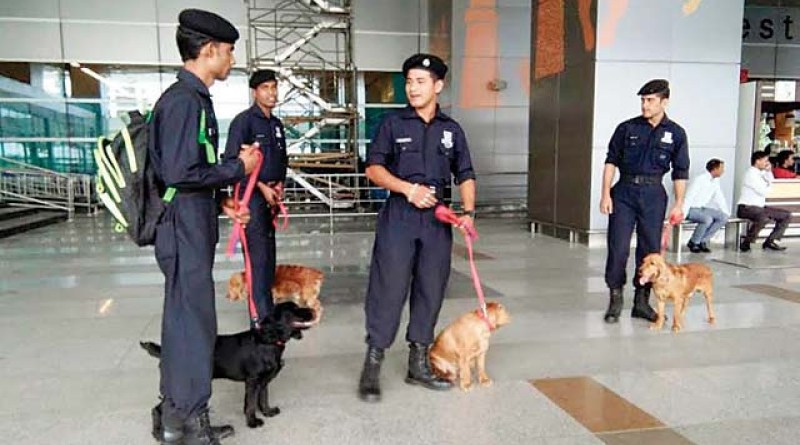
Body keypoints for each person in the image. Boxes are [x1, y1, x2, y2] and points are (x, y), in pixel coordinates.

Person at [149, 9, 259, 445]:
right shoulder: (184, 102)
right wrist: (238, 168)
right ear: (209, 50)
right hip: (182, 229)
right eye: (229, 51)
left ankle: (171, 416)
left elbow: (189, 173)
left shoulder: (193, 99)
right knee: (193, 326)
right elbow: (179, 173)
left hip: (190, 222)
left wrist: (221, 201)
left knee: (185, 322)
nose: (232, 59)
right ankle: (188, 421)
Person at [357, 53, 476, 402]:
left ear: (438, 86)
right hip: (400, 215)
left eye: (420, 81)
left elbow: (465, 173)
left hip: (437, 219)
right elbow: (373, 169)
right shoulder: (393, 124)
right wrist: (408, 189)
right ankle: (373, 364)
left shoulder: (451, 130)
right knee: (388, 287)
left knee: (431, 287)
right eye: (409, 81)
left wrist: (468, 212)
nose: (412, 88)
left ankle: (418, 363)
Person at [599, 79, 689, 324]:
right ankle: (615, 300)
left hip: (654, 194)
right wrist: (605, 194)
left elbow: (680, 171)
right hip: (624, 193)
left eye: (650, 100)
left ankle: (641, 302)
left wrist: (679, 203)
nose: (645, 105)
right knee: (618, 248)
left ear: (664, 102)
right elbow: (611, 161)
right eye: (643, 100)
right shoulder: (627, 128)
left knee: (650, 251)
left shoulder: (677, 133)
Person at [223, 69, 288, 323]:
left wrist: (279, 185)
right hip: (251, 197)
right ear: (254, 92)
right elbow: (233, 162)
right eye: (265, 88)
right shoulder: (244, 122)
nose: (271, 93)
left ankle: (267, 313)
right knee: (257, 259)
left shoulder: (276, 124)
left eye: (274, 87)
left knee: (268, 258)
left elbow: (282, 160)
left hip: (272, 197)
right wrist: (261, 187)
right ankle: (259, 319)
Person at [737, 150, 791, 252]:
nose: (767, 163)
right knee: (763, 217)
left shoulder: (761, 173)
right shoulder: (750, 174)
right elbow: (763, 191)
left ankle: (770, 241)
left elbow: (771, 181)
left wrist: (769, 171)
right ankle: (747, 242)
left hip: (760, 207)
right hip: (746, 207)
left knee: (786, 215)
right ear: (757, 161)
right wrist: (769, 185)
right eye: (765, 161)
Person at [682, 159, 730, 253]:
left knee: (723, 217)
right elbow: (689, 196)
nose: (723, 171)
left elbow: (719, 197)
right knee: (707, 219)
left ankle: (702, 240)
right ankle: (694, 242)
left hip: (702, 208)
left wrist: (726, 212)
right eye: (721, 168)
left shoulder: (716, 181)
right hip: (691, 208)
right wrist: (683, 213)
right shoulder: (700, 179)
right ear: (715, 169)